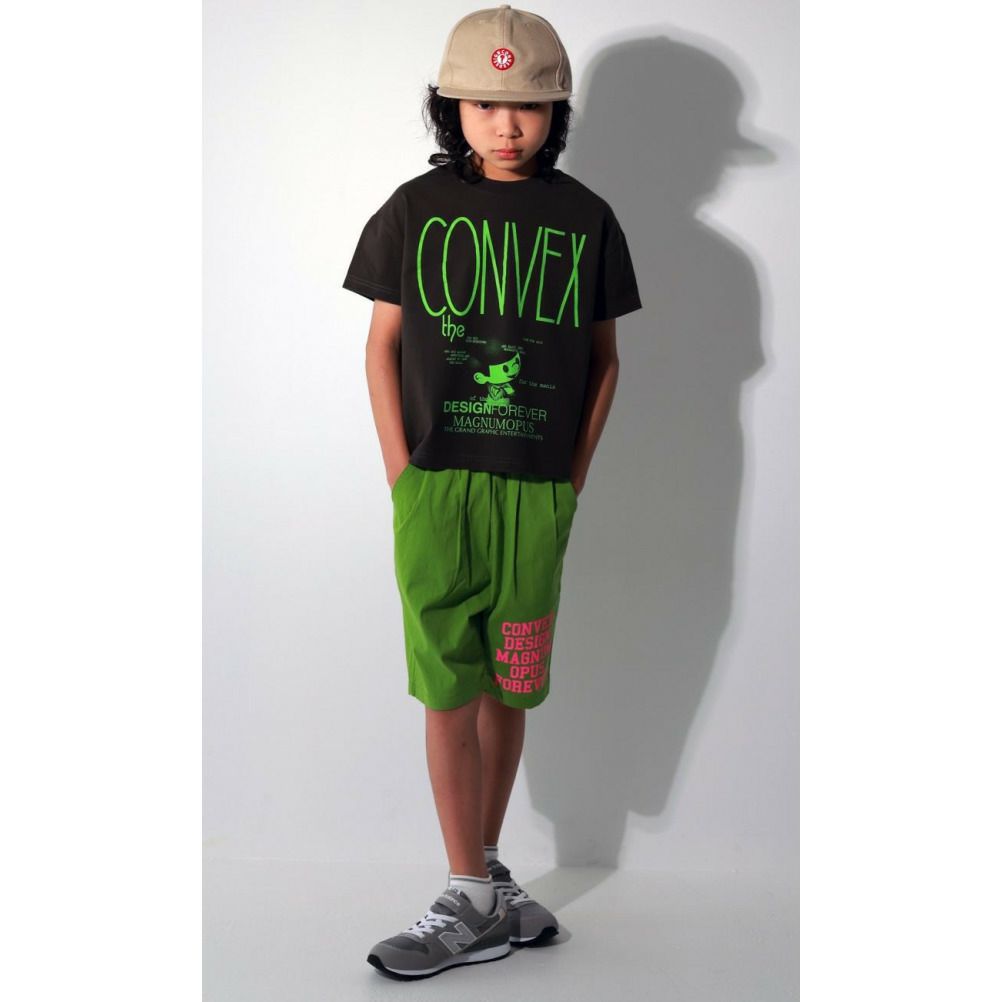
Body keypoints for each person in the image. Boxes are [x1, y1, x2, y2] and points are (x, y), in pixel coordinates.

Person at [342, 3, 642, 981]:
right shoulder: (412, 210)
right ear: (451, 109)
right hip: (437, 490)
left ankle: (488, 881)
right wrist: (403, 478)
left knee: (510, 683)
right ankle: (469, 890)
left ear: (556, 112)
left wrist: (570, 483)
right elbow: (381, 348)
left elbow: (605, 362)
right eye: (482, 104)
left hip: (535, 497)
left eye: (528, 107)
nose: (506, 125)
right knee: (447, 687)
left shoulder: (586, 219)